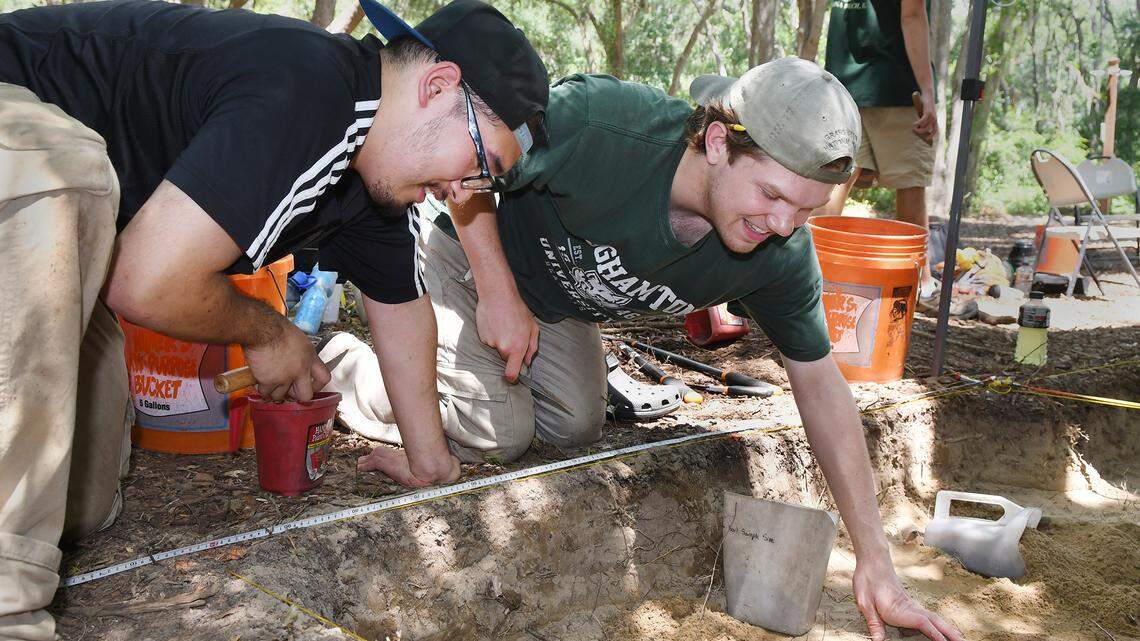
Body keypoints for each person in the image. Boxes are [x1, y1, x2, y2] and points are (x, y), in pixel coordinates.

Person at [321, 57, 963, 640]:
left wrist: (876, 563)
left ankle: (449, 373)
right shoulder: (600, 125)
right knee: (500, 431)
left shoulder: (780, 252)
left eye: (806, 210)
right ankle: (351, 370)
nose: (781, 227)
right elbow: (471, 169)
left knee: (574, 426)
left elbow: (821, 384)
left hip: (557, 301)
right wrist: (495, 289)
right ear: (718, 143)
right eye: (770, 195)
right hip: (469, 250)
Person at [0, 0, 548, 638]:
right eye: (478, 165)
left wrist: (431, 462)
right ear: (436, 85)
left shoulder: (372, 183)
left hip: (54, 251)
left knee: (82, 506)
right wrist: (269, 332)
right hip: (17, 135)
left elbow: (403, 312)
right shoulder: (307, 86)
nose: (462, 194)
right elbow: (143, 283)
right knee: (70, 175)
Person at [819, 0, 939, 298]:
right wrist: (928, 91)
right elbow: (911, 15)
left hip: (844, 83)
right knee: (910, 182)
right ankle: (919, 286)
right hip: (895, 81)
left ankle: (812, 272)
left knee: (835, 181)